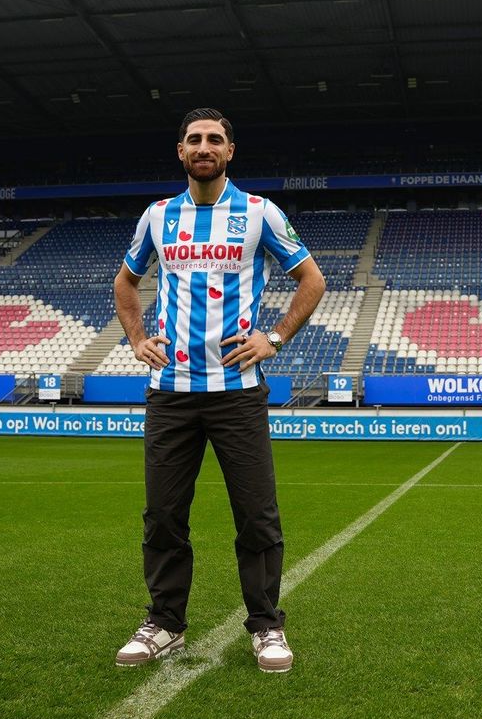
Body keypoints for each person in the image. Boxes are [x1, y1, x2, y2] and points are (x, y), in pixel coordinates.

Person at [112, 107, 325, 673]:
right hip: (171, 391)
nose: (203, 147)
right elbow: (125, 283)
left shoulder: (259, 214)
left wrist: (274, 338)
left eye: (214, 139)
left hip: (237, 390)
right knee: (162, 515)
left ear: (230, 151)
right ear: (180, 152)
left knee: (256, 514)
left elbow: (312, 278)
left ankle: (265, 627)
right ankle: (164, 622)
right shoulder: (158, 217)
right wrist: (137, 338)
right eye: (193, 140)